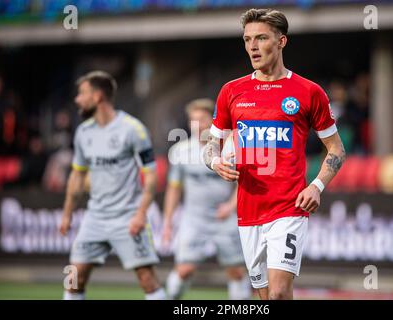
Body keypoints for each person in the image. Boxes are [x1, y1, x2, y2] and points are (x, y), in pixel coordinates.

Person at [203, 9, 346, 300]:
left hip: (289, 208)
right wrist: (215, 161)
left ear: (281, 42)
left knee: (279, 293)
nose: (252, 46)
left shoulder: (309, 92)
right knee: (263, 296)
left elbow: (336, 149)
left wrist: (316, 186)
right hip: (248, 211)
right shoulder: (232, 91)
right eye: (247, 39)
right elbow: (209, 145)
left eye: (261, 38)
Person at [59, 70, 167, 300]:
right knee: (73, 278)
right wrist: (67, 213)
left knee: (147, 279)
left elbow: (150, 176)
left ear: (98, 96)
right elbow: (77, 176)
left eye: (82, 94)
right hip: (95, 217)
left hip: (127, 217)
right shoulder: (83, 133)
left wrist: (140, 214)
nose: (77, 99)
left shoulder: (133, 129)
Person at [162, 98, 251, 300]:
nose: (197, 125)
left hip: (225, 218)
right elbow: (174, 189)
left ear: (212, 121)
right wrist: (167, 222)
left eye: (202, 120)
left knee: (236, 272)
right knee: (184, 270)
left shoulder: (230, 148)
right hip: (194, 219)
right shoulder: (180, 151)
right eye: (193, 120)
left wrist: (230, 206)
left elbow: (243, 183)